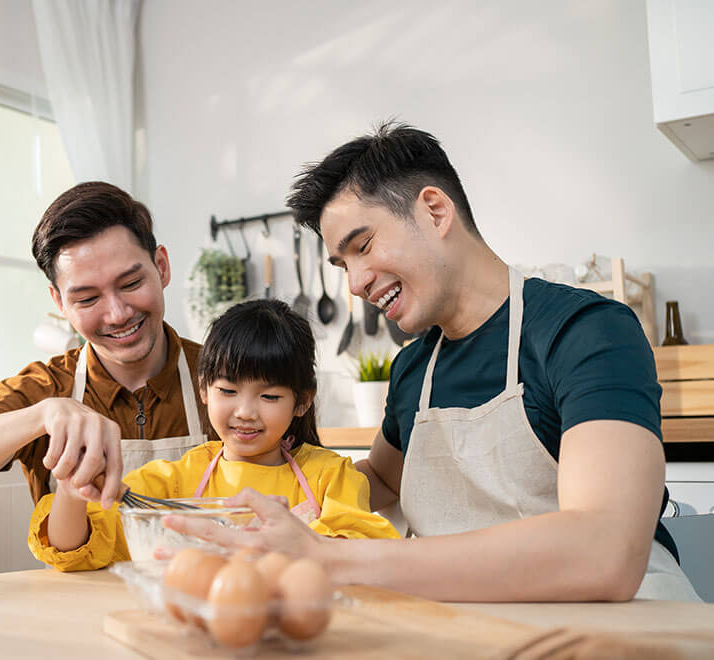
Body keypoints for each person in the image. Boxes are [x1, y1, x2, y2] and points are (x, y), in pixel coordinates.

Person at [164, 122, 700, 602]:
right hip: (465, 630)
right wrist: (251, 486)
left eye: (364, 246)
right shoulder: (412, 369)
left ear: (434, 211)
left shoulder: (584, 331)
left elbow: (604, 552)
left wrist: (331, 558)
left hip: (621, 632)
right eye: (342, 264)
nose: (354, 284)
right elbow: (380, 480)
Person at [28, 299, 401, 570]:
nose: (245, 412)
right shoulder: (176, 481)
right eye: (227, 391)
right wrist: (71, 490)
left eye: (269, 396)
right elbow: (74, 546)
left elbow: (363, 553)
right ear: (204, 389)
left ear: (302, 402)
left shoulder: (329, 475)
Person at [0, 182, 208, 510]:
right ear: (59, 301)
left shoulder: (228, 375)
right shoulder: (46, 388)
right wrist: (43, 415)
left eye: (131, 284)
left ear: (161, 267)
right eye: (88, 298)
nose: (118, 314)